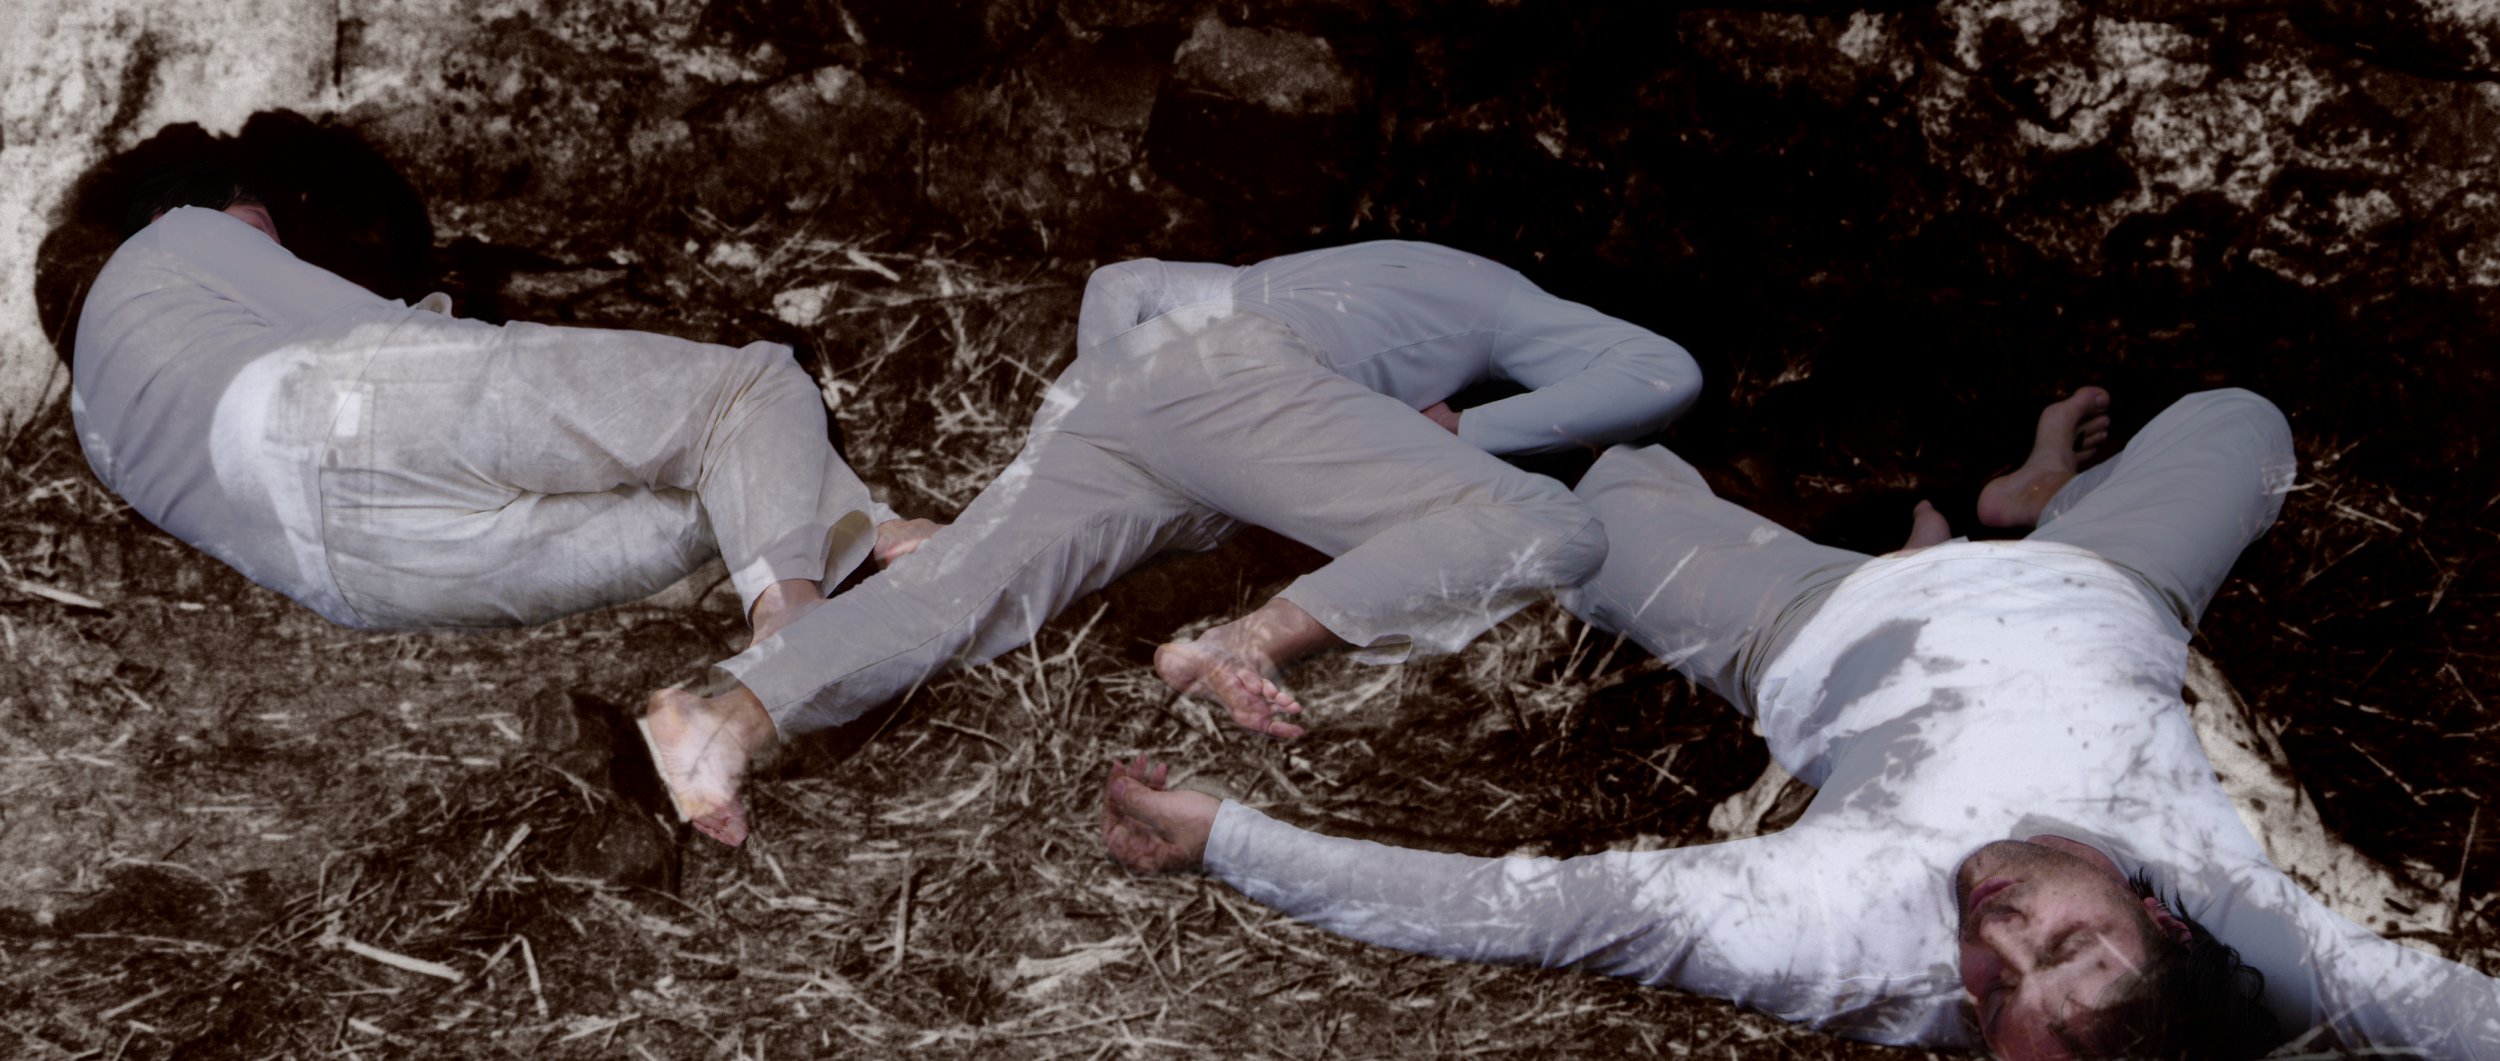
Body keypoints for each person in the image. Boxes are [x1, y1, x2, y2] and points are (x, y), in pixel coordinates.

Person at [1103, 387, 2500, 1059]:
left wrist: (1226, 838)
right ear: (2165, 919)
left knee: (1608, 494)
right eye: (2067, 944)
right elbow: (2465, 1021)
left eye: (1993, 993)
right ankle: (2025, 502)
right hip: (2104, 577)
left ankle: (1898, 526)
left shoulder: (1840, 933)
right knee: (2240, 423)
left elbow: (1524, 911)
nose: (1999, 931)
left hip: (1814, 627)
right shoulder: (2242, 925)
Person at [640, 240, 1703, 846]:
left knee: (956, 596)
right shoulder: (1502, 295)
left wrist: (1073, 447)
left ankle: (720, 720)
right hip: (1240, 384)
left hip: (1125, 387)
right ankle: (1253, 639)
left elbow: (1123, 284)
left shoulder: (1322, 269)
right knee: (1552, 523)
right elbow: (1663, 373)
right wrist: (1473, 428)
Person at [71, 165, 928, 647]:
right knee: (755, 386)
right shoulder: (181, 232)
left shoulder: (95, 425)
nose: (274, 244)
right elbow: (360, 330)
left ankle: (739, 707)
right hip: (336, 412)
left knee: (733, 492)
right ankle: (799, 622)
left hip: (360, 583)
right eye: (260, 225)